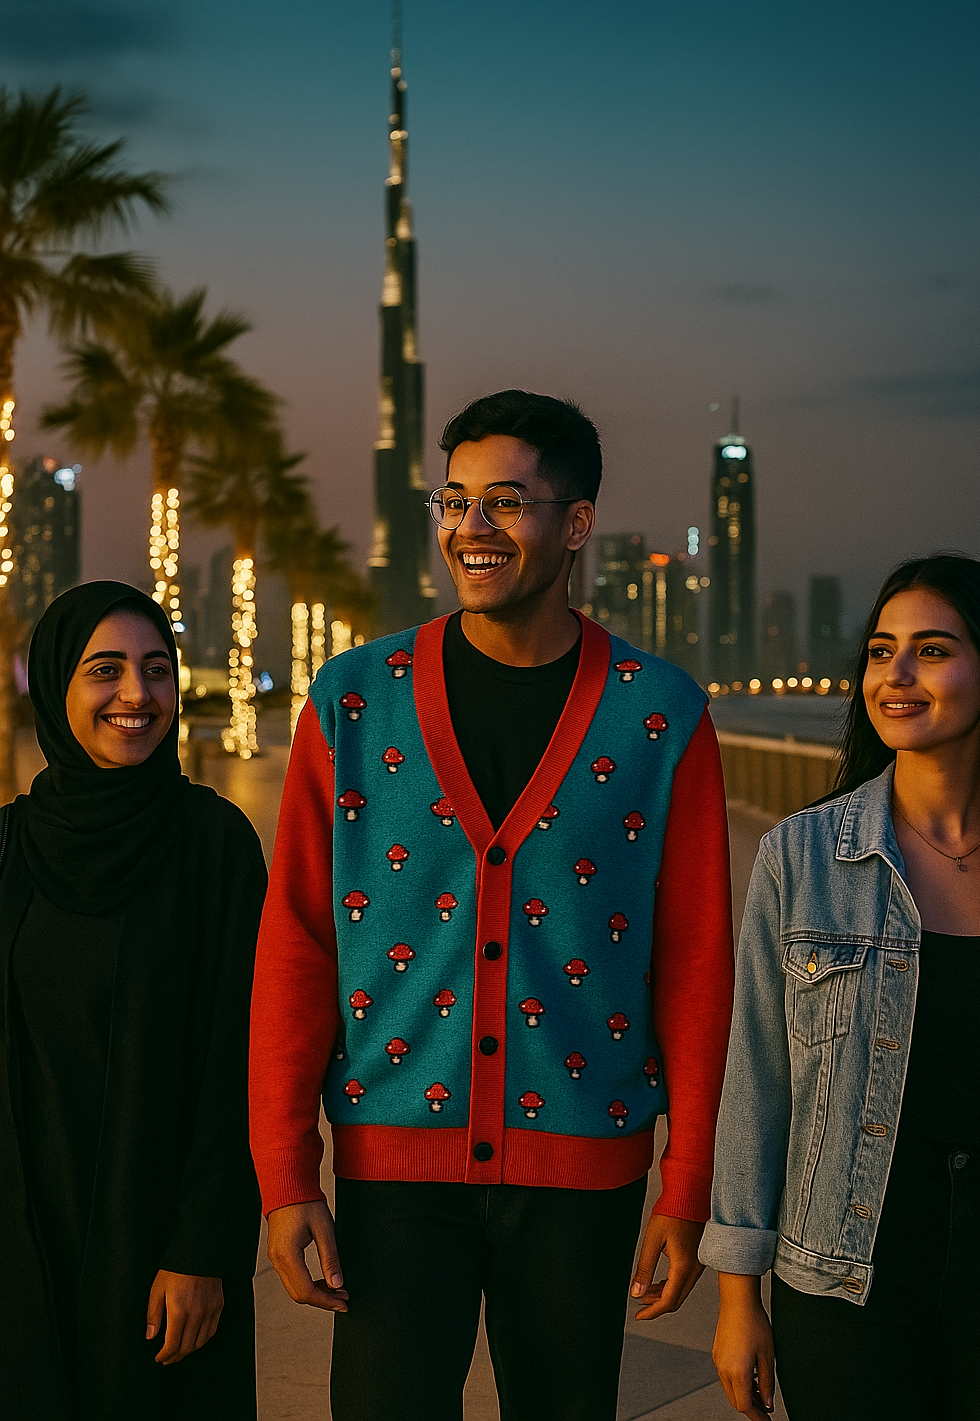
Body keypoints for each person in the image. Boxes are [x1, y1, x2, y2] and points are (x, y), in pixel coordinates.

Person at [250, 390, 735, 1420]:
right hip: (391, 1169)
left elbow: (696, 963)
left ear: (576, 523)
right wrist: (287, 1175)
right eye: (455, 499)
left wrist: (688, 1183)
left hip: (585, 1176)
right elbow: (298, 943)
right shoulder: (352, 702)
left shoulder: (660, 717)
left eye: (506, 502)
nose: (471, 527)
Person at [700, 553, 980, 1421]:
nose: (897, 675)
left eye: (932, 651)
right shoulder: (802, 857)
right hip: (848, 1273)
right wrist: (738, 1298)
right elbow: (757, 1082)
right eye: (882, 652)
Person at [0, 581, 267, 1421]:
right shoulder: (7, 848)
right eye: (104, 670)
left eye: (156, 670)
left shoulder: (213, 845)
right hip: (23, 1246)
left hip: (158, 1252)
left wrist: (203, 1250)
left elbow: (239, 1064)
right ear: (56, 686)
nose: (137, 694)